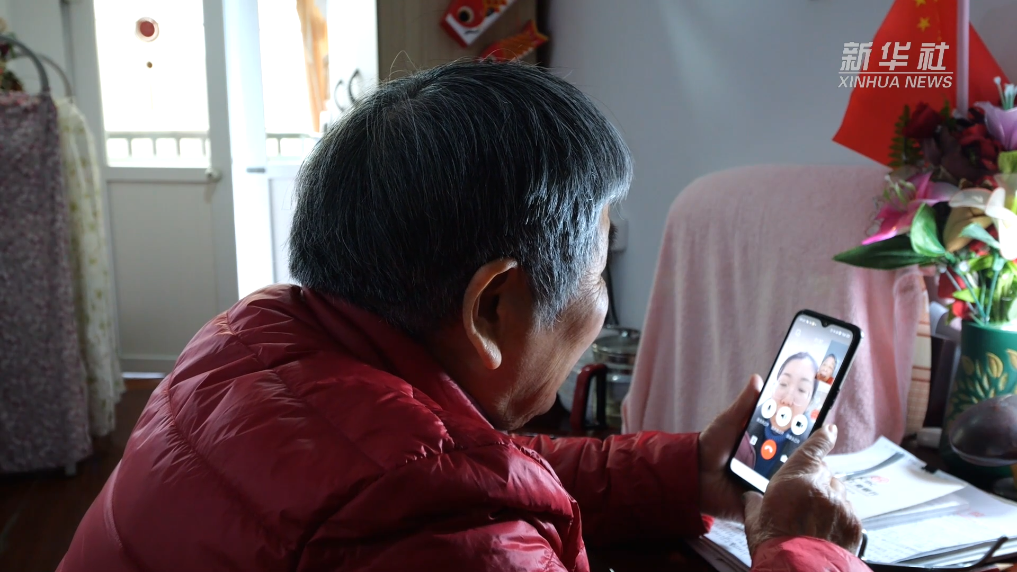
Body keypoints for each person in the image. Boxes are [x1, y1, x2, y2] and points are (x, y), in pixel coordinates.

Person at [57, 62, 866, 572]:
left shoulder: (249, 336)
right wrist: (798, 549)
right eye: (598, 273)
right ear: (491, 307)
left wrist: (684, 471)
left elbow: (457, 466)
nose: (600, 308)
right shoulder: (439, 533)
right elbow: (444, 496)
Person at [744, 353, 819, 478]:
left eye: (801, 390)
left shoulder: (808, 448)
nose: (787, 400)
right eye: (783, 384)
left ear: (809, 403)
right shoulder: (748, 418)